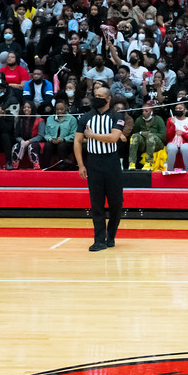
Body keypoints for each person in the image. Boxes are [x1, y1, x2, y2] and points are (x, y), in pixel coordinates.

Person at [75, 82, 129, 252]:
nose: (96, 99)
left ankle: (111, 235)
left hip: (111, 162)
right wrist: (81, 165)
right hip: (94, 163)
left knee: (116, 203)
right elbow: (77, 141)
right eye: (95, 96)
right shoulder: (86, 117)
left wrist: (92, 136)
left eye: (100, 97)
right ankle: (99, 240)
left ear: (108, 99)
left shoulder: (116, 116)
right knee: (96, 204)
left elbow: (114, 138)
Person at [130, 102, 166, 169]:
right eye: (143, 111)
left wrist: (149, 134)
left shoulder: (158, 120)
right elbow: (134, 133)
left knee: (151, 137)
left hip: (157, 144)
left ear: (151, 112)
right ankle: (132, 163)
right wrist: (140, 133)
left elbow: (163, 136)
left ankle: (148, 162)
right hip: (144, 144)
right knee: (134, 137)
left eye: (146, 111)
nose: (144, 113)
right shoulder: (139, 120)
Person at [164, 102, 188, 173]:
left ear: (185, 110)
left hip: (186, 143)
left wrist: (183, 134)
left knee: (185, 148)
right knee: (172, 148)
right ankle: (170, 170)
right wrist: (172, 126)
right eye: (176, 109)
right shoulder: (170, 120)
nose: (178, 110)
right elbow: (167, 137)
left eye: (180, 108)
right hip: (172, 142)